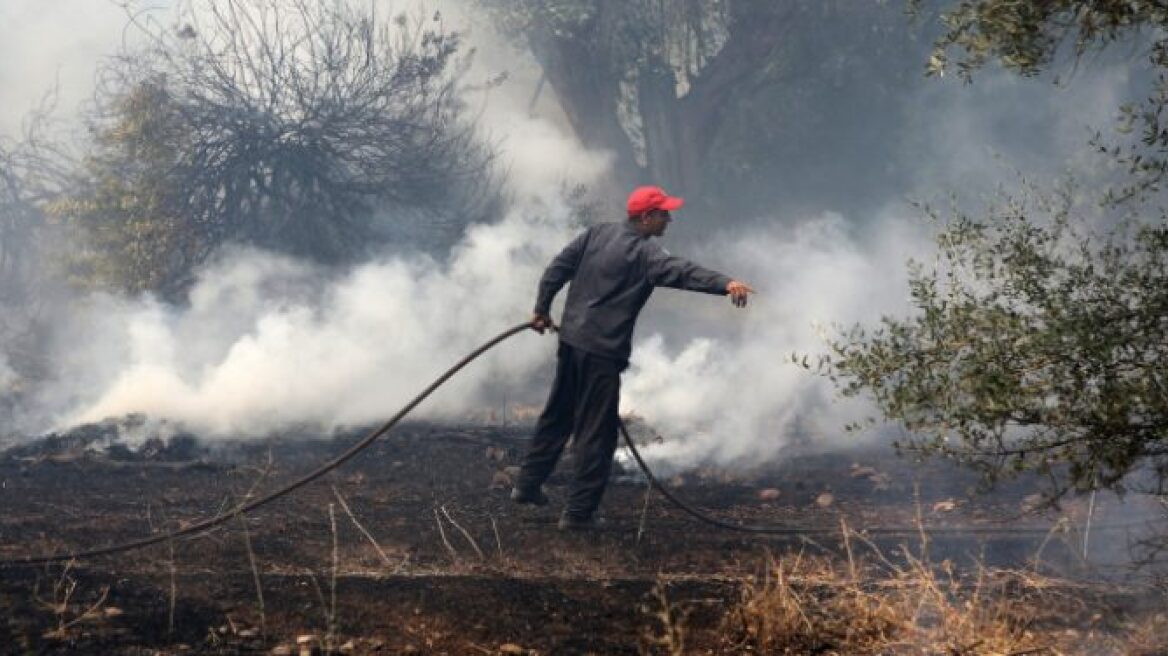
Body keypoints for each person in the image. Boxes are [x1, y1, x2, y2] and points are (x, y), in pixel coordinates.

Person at [511, 185, 754, 530]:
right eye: (664, 214)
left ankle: (527, 485)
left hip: (571, 342)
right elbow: (681, 271)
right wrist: (725, 284)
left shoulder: (596, 234)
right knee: (597, 432)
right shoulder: (645, 253)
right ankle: (579, 514)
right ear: (646, 217)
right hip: (600, 352)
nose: (669, 219)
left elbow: (556, 269)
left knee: (558, 415)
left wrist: (541, 309)